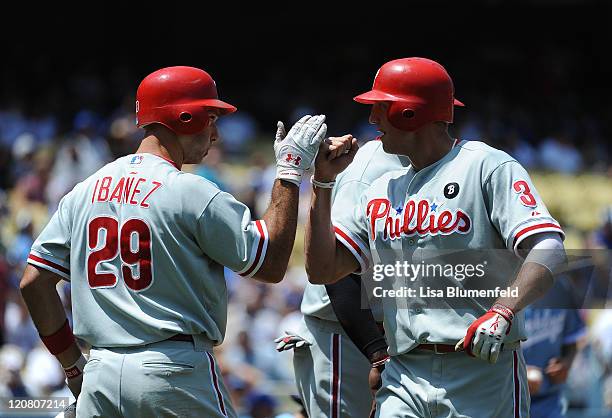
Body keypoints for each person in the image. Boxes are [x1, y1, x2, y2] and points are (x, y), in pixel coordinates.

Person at [19, 66, 327, 418]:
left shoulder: (83, 191)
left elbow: (34, 282)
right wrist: (289, 172)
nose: (215, 134)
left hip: (101, 371)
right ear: (185, 117)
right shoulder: (190, 191)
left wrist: (73, 365)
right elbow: (270, 264)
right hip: (174, 370)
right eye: (210, 117)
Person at [304, 57, 567, 417]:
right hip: (404, 373)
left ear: (409, 114)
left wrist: (504, 311)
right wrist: (322, 183)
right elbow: (323, 270)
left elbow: (549, 248)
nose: (372, 120)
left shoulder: (485, 165)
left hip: (480, 368)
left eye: (381, 109)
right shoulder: (382, 188)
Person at [275, 138, 409, 417]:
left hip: (385, 336)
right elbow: (334, 269)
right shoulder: (370, 170)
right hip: (345, 335)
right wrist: (377, 352)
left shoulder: (424, 166)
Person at [523, 277, 586, 418]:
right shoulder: (500, 288)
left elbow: (571, 340)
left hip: (549, 401)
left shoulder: (560, 287)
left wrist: (566, 363)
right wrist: (518, 372)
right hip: (507, 401)